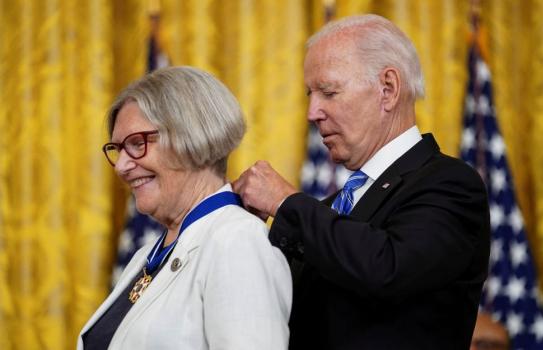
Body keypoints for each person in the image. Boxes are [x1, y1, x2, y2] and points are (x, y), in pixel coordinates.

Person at [233, 14, 490, 350]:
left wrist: (285, 203)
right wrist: (243, 237)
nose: (312, 112)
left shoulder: (450, 184)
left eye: (328, 91)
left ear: (388, 89)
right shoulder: (328, 213)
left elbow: (387, 268)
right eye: (311, 94)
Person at [77, 66, 291, 350]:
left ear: (191, 135)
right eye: (117, 149)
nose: (122, 166)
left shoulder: (236, 240)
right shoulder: (146, 255)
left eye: (137, 144)